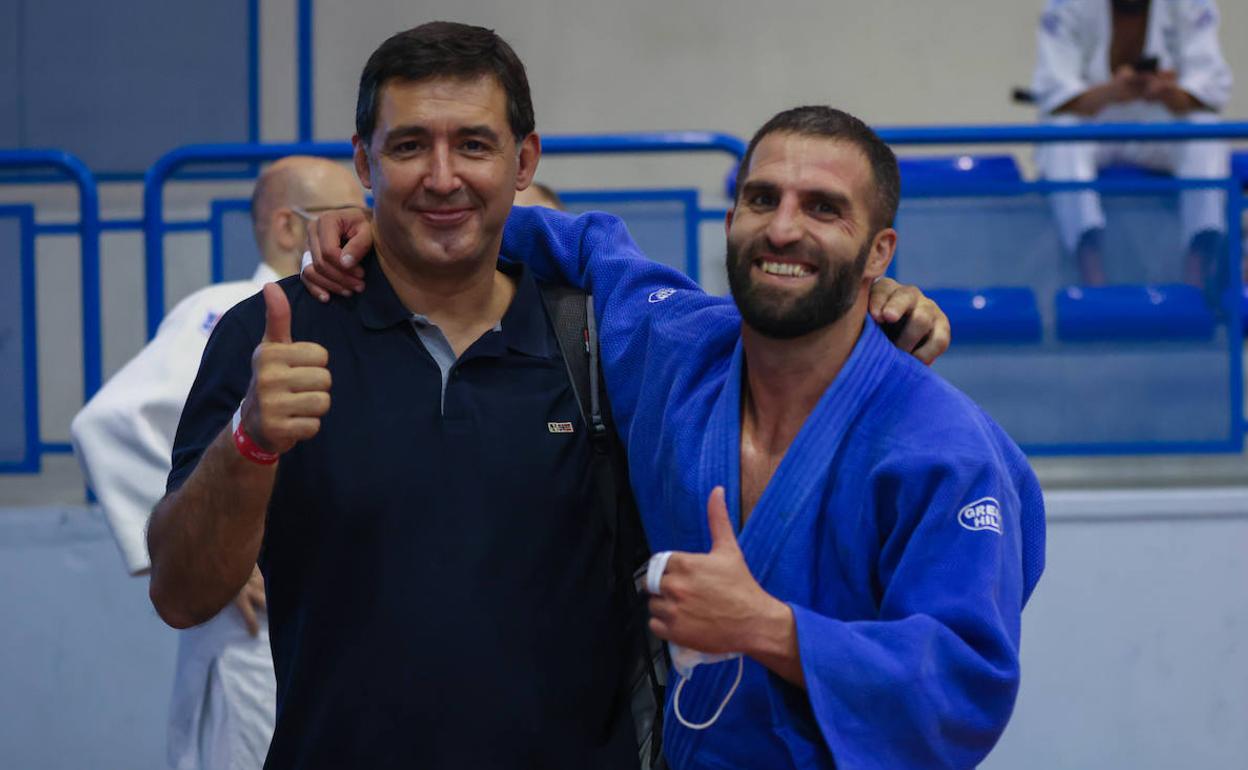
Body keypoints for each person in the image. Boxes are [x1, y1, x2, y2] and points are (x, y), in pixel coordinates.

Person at [148, 23, 950, 769]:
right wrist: (249, 443)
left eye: (473, 145)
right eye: (408, 146)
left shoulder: (605, 342)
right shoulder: (274, 336)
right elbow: (183, 597)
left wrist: (868, 302)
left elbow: (777, 334)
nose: (441, 175)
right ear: (364, 163)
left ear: (525, 161)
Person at [305, 106, 1045, 769]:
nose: (783, 228)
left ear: (880, 252)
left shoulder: (939, 444)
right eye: (762, 200)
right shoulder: (675, 346)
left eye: (824, 209)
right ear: (730, 222)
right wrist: (405, 227)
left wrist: (771, 629)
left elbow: (965, 681)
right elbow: (589, 243)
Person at [70, 155, 365, 770]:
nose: (355, 230)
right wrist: (218, 541)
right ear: (288, 228)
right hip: (252, 631)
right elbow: (108, 422)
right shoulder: (234, 309)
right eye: (341, 216)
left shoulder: (352, 313)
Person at [1031, 0, 1233, 286]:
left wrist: (1169, 93)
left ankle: (1197, 272)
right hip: (1095, 124)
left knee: (1205, 129)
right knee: (1061, 134)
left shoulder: (1190, 4)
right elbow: (1055, 96)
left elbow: (1210, 90)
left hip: (1160, 122)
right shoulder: (1066, 7)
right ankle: (1091, 272)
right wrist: (1111, 93)